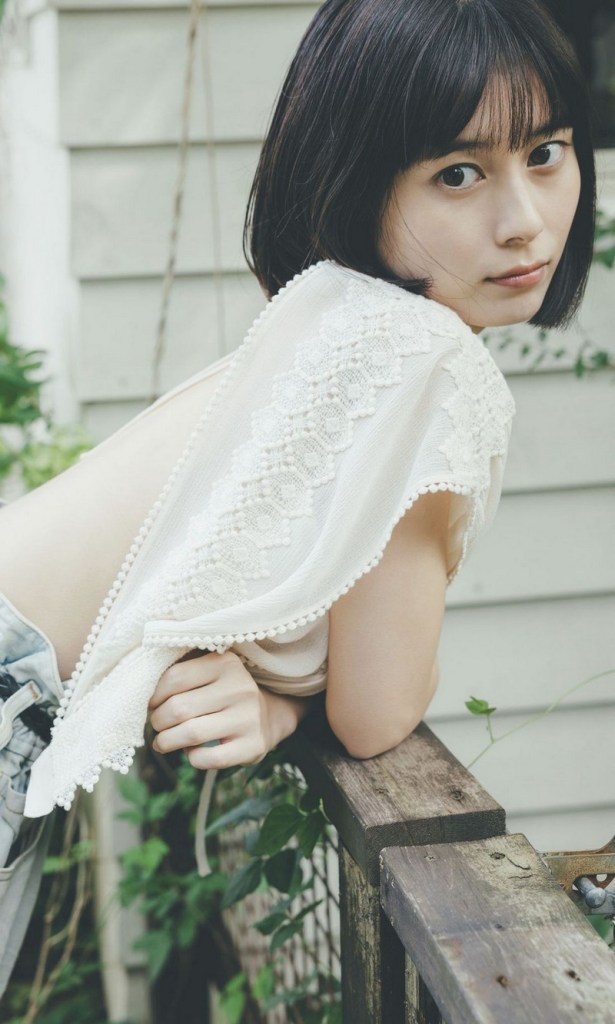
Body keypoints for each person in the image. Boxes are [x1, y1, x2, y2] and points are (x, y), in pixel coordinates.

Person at [0, 0, 595, 998]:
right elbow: (376, 708)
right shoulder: (426, 360)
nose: (524, 218)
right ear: (358, 184)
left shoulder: (336, 316)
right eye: (458, 173)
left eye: (546, 153)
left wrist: (275, 691)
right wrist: (290, 705)